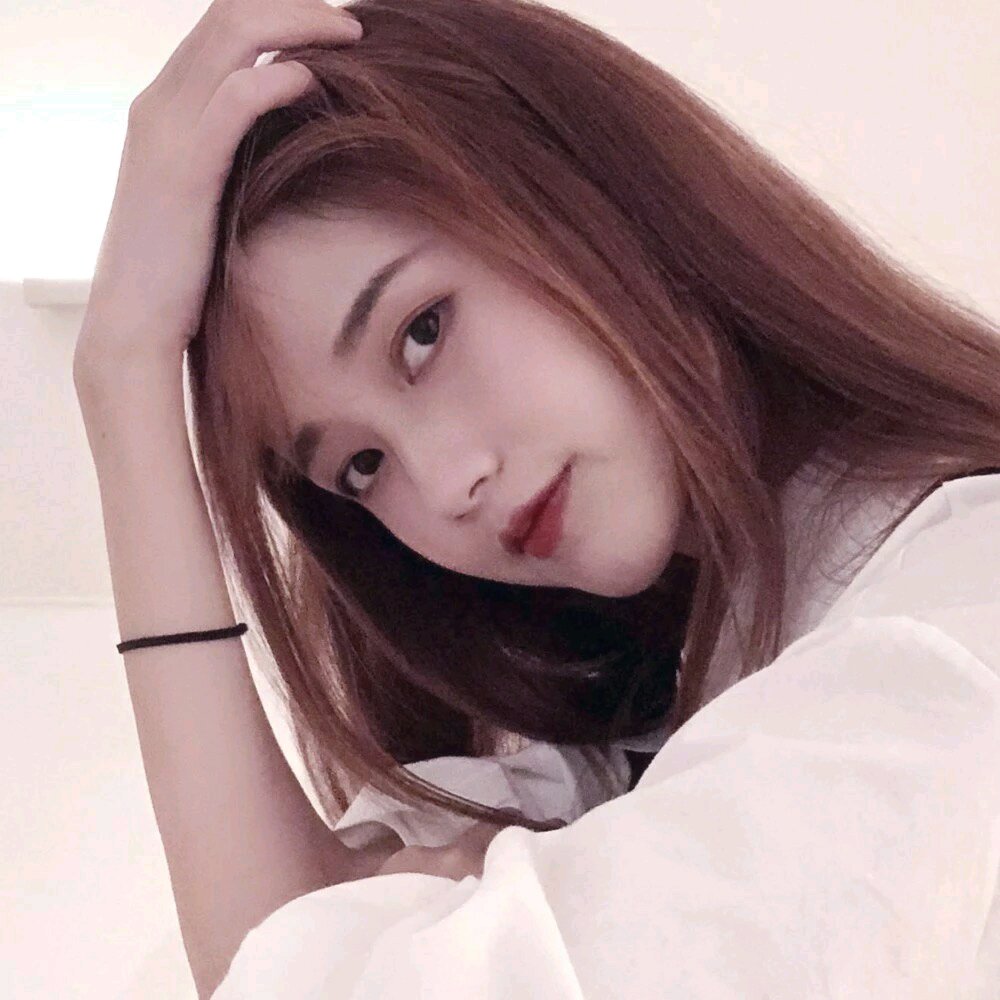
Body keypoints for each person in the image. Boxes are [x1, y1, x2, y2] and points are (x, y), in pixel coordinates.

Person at [70, 0, 1000, 996]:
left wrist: (124, 378)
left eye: (421, 332)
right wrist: (122, 380)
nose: (445, 483)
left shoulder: (946, 633)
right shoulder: (651, 718)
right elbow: (283, 950)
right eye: (361, 466)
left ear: (588, 196)